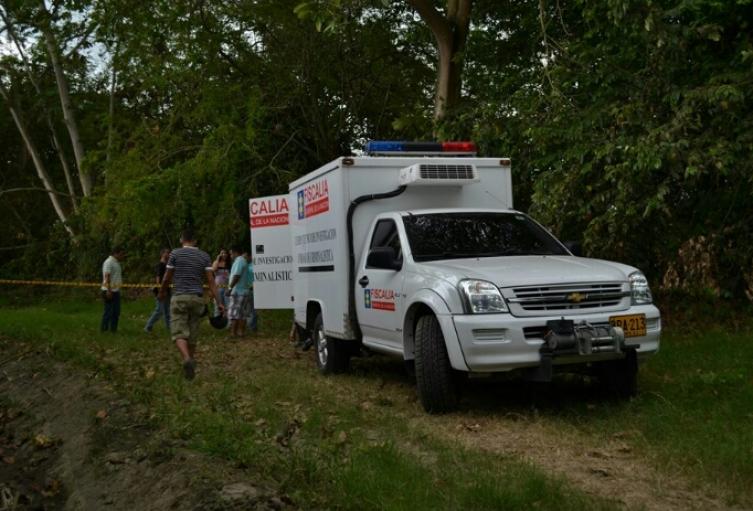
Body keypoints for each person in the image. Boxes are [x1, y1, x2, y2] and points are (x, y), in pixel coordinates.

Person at [158, 229, 224, 380]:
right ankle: (191, 364)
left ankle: (187, 358)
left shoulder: (175, 254)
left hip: (179, 297)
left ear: (182, 239)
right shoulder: (204, 256)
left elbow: (167, 278)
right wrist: (219, 303)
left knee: (178, 332)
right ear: (195, 241)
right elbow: (212, 282)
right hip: (196, 298)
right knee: (193, 333)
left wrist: (162, 292)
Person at [144, 248, 171, 333]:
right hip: (161, 291)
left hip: (167, 290)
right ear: (162, 254)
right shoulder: (160, 265)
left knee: (167, 310)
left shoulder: (167, 265)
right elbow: (158, 279)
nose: (169, 254)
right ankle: (148, 327)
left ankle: (169, 328)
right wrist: (161, 291)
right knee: (159, 310)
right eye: (167, 253)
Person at [227, 245, 252, 337]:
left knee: (234, 313)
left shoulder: (239, 261)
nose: (230, 256)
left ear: (235, 252)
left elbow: (237, 275)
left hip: (238, 291)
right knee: (242, 314)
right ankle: (241, 332)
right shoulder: (243, 261)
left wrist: (230, 288)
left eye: (231, 254)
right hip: (244, 291)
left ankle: (233, 333)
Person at [101, 247, 125, 332]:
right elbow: (107, 276)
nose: (123, 256)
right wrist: (108, 290)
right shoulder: (109, 262)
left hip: (116, 291)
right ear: (115, 253)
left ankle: (113, 330)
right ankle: (104, 329)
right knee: (108, 312)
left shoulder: (116, 263)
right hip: (109, 290)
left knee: (116, 312)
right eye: (121, 254)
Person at [211, 248, 230, 316]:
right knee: (217, 305)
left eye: (225, 253)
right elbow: (213, 269)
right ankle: (217, 322)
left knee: (227, 305)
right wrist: (217, 259)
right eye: (222, 253)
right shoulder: (216, 262)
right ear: (219, 254)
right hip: (218, 288)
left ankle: (227, 322)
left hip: (227, 287)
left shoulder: (229, 263)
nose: (224, 254)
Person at [244, 248, 258, 333]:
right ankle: (250, 326)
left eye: (246, 257)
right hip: (246, 290)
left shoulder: (254, 265)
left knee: (253, 310)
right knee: (247, 309)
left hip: (253, 290)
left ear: (250, 256)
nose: (245, 258)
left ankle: (252, 327)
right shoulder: (245, 265)